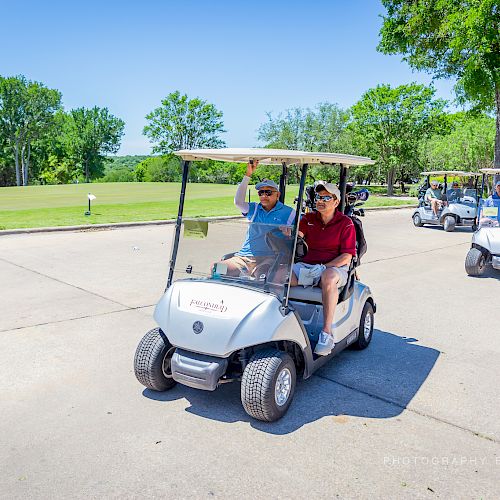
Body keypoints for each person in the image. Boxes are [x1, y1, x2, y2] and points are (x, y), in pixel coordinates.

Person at [291, 181, 356, 356]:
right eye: (319, 197)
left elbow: (347, 256)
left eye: (326, 197)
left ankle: (326, 333)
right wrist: (288, 234)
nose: (321, 200)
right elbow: (298, 238)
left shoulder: (346, 223)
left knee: (327, 277)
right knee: (281, 275)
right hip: (308, 265)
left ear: (336, 202)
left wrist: (323, 267)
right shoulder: (308, 219)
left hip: (335, 268)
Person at [218, 160, 295, 277]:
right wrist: (248, 175)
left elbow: (297, 236)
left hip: (268, 258)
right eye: (261, 193)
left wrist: (289, 234)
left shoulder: (289, 213)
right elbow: (238, 202)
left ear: (277, 195)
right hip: (245, 257)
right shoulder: (254, 208)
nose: (264, 196)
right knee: (217, 269)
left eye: (268, 193)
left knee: (262, 275)